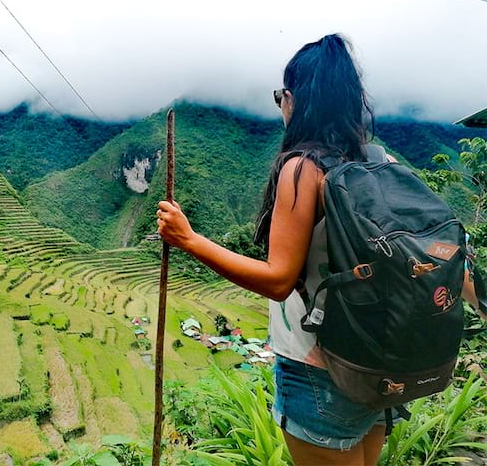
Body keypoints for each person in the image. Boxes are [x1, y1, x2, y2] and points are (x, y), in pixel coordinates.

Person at [157, 33, 483, 466]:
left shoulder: (302, 168)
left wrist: (189, 240)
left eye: (280, 97)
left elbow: (278, 280)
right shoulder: (381, 161)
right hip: (378, 364)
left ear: (294, 100)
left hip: (320, 371)